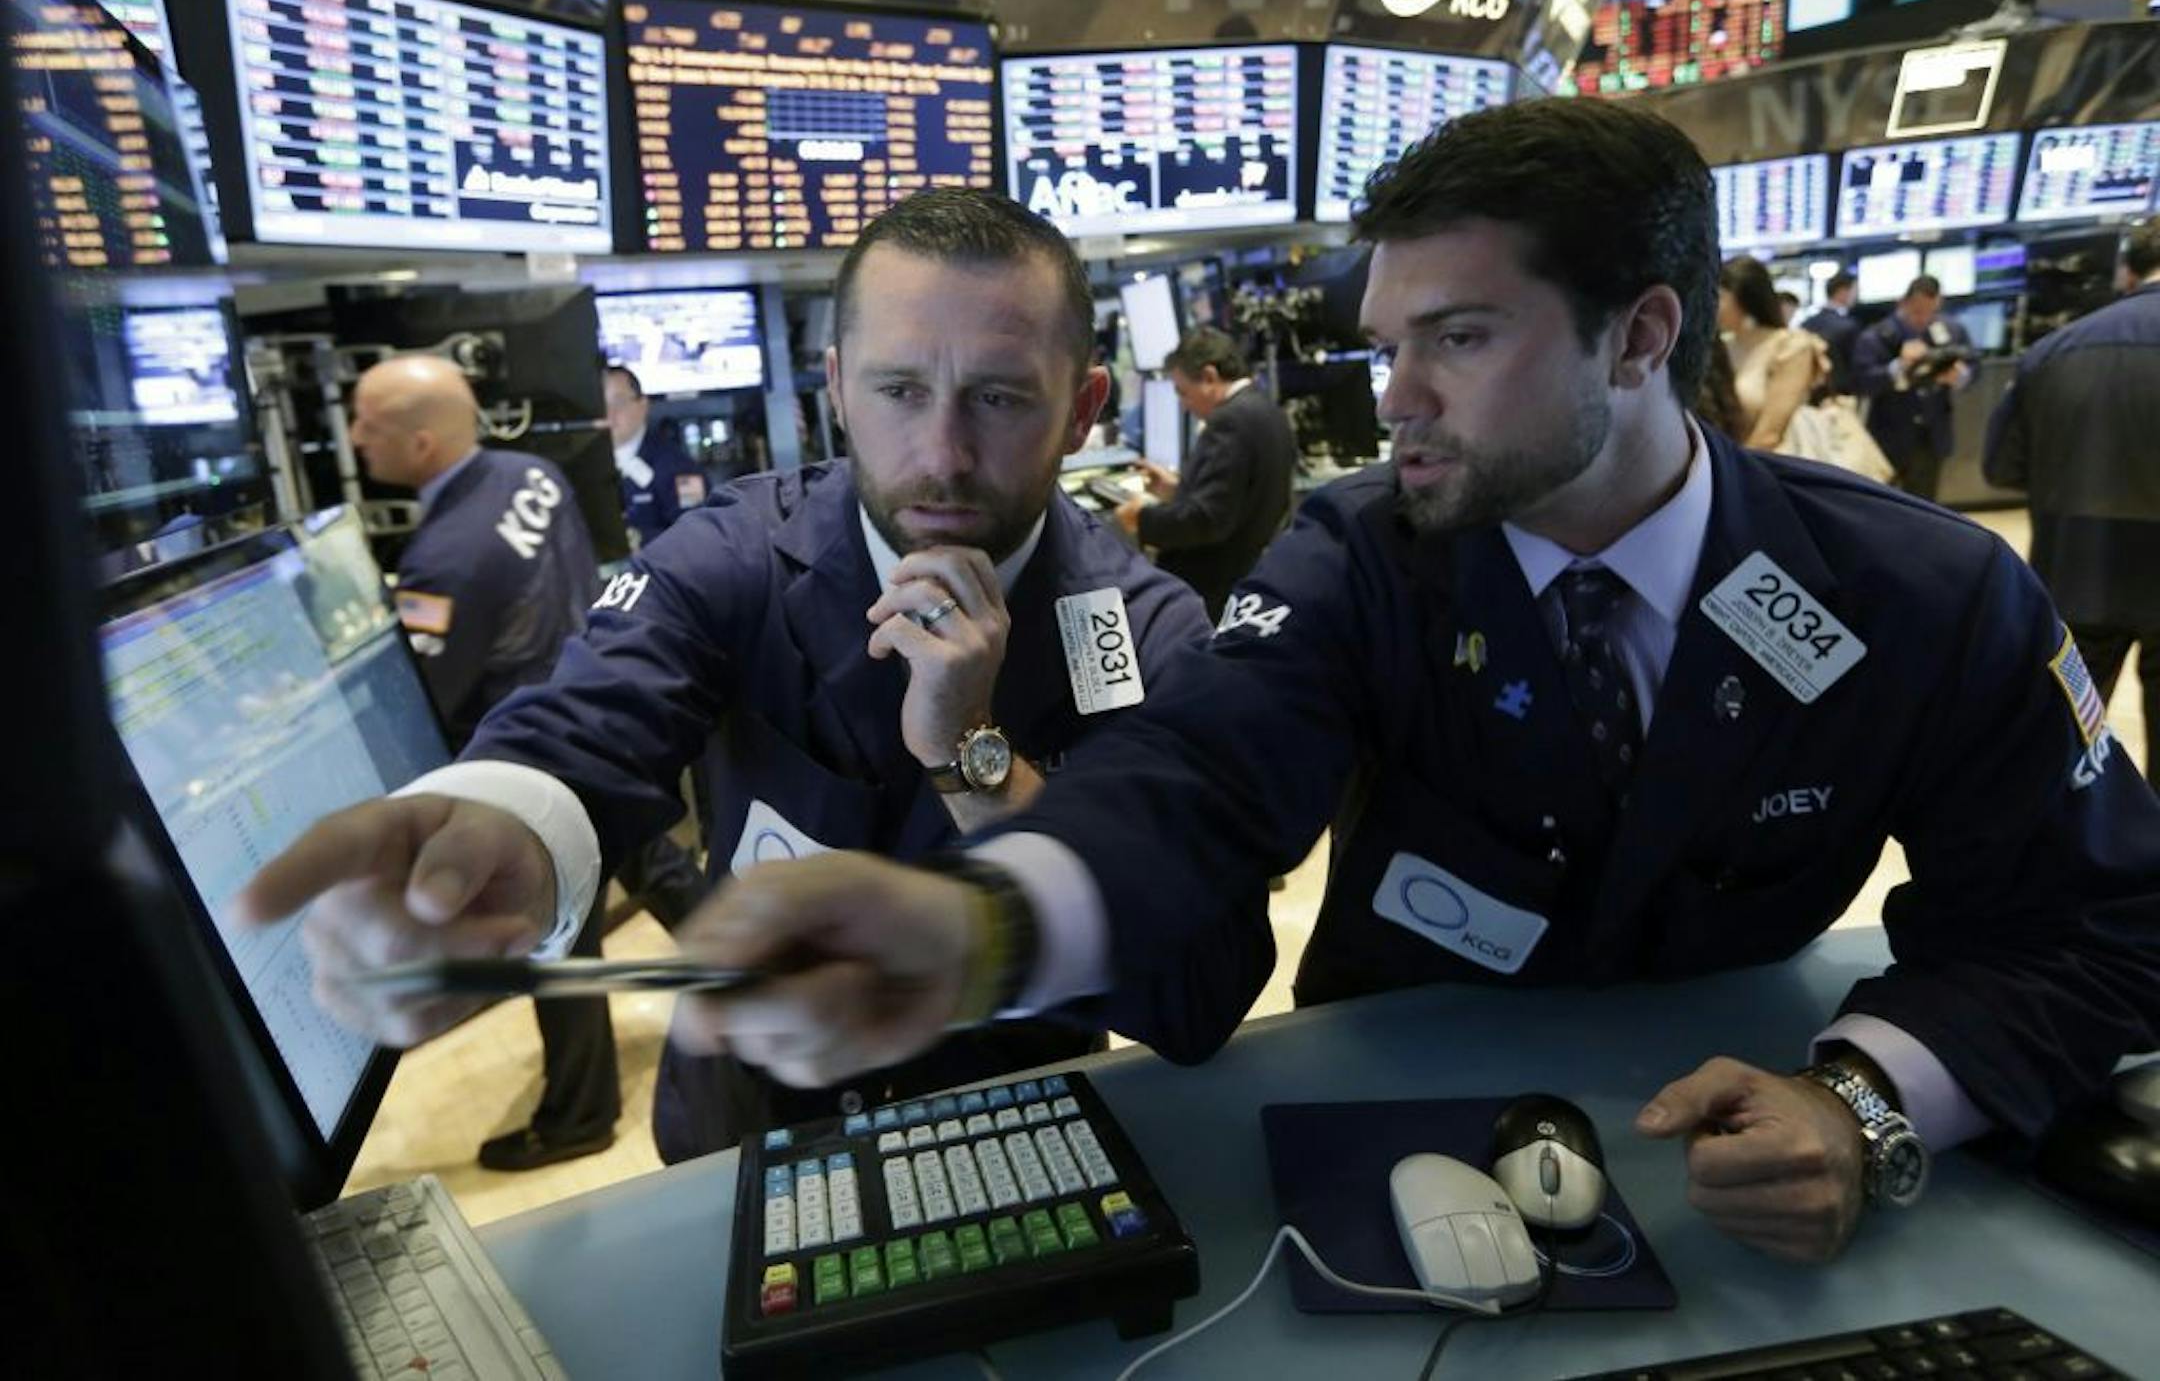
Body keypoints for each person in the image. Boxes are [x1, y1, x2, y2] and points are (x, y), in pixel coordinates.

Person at [634, 100, 2153, 1267]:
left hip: (1730, 1146)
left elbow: (2096, 919)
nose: (1396, 399)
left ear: (1639, 336)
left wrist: (1873, 1099)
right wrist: (989, 919)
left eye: (1461, 338)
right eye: (1385, 344)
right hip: (1399, 1142)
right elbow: (1201, 784)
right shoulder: (1363, 553)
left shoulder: (1924, 592)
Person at [241, 189, 1219, 1162]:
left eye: (999, 397)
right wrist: (504, 826)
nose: (944, 456)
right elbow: (594, 715)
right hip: (742, 1125)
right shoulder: (735, 552)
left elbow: (1197, 977)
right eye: (899, 390)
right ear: (836, 388)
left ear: (1085, 408)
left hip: (1018, 1134)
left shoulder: (1136, 624)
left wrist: (977, 757)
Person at [346, 356, 623, 1170]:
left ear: (423, 442)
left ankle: (579, 1118)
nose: (354, 437)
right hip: (602, 708)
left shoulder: (443, 560)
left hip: (533, 756)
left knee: (560, 942)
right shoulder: (531, 471)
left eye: (369, 423)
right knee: (660, 865)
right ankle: (747, 982)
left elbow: (421, 694)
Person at [1984, 214, 2160, 791]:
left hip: (2076, 571)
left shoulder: (2053, 351)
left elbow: (2001, 468)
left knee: (2061, 752)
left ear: (2128, 270)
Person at [1116, 327, 1297, 621]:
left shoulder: (1229, 421)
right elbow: (1237, 498)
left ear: (1210, 377)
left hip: (1208, 592)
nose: (1184, 406)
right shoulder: (1266, 409)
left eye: (1183, 392)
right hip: (1241, 579)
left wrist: (1142, 518)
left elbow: (1208, 520)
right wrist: (1177, 490)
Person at [1851, 276, 1974, 502]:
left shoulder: (1952, 331)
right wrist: (1900, 368)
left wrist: (1959, 376)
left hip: (1932, 434)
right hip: (1888, 436)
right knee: (1884, 504)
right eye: (1917, 312)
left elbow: (1974, 366)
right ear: (1902, 303)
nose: (1923, 319)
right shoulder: (1877, 336)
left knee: (1925, 504)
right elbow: (1862, 382)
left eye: (1930, 312)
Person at [1717, 256, 1827, 451]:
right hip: (1730, 459)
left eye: (1719, 297)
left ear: (1743, 298)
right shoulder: (1721, 346)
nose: (1713, 307)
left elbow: (1770, 433)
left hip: (1770, 466)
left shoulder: (1791, 346)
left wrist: (1736, 472)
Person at [605, 363, 706, 551]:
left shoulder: (679, 468)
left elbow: (695, 537)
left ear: (643, 405)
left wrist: (636, 540)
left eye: (618, 402)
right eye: (602, 405)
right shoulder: (588, 466)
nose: (609, 414)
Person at [1801, 271, 1862, 397]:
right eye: (1855, 290)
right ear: (1843, 291)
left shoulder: (1805, 324)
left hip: (1809, 393)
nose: (1856, 295)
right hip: (1842, 396)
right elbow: (1857, 367)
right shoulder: (1848, 326)